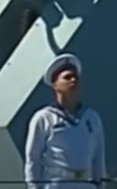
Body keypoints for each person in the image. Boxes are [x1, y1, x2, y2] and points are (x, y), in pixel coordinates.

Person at [24, 53, 106, 189]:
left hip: (85, 184)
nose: (73, 80)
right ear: (55, 85)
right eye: (67, 77)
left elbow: (98, 157)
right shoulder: (44, 118)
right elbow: (33, 158)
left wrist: (101, 185)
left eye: (76, 77)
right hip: (57, 184)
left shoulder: (91, 118)